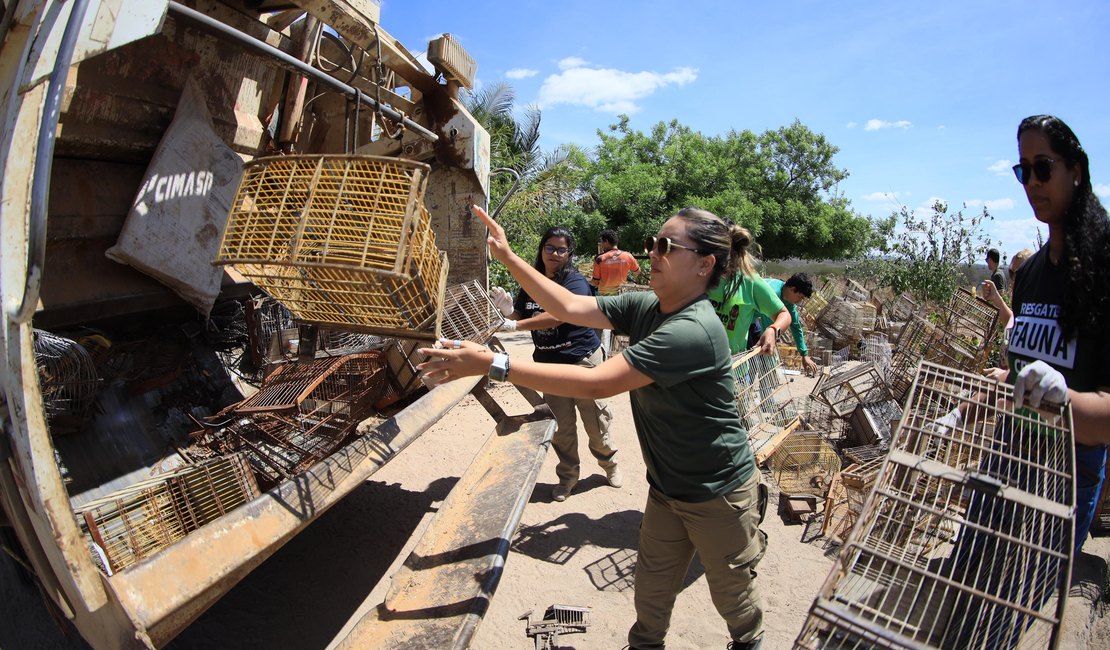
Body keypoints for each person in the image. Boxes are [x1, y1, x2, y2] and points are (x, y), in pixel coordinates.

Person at [421, 205, 769, 650]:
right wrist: (508, 255)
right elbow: (566, 305)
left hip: (719, 491)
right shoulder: (648, 306)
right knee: (652, 590)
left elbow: (596, 383)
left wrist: (493, 364)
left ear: (705, 265)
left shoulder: (693, 329)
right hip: (667, 488)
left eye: (666, 246)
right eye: (652, 243)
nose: (652, 254)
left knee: (733, 595)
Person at [996, 114, 1110, 552]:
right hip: (1013, 452)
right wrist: (1005, 382)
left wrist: (1062, 402)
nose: (1032, 182)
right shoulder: (1032, 275)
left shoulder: (1101, 269)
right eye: (1023, 170)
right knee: (982, 571)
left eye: (1043, 167)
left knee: (1029, 593)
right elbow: (1029, 369)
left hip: (1069, 470)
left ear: (1075, 170)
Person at [497, 227, 620, 502]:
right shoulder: (532, 281)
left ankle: (609, 464)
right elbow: (520, 311)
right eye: (549, 247)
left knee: (595, 424)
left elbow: (558, 316)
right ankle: (568, 477)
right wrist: (507, 312)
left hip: (582, 362)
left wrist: (514, 324)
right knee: (561, 429)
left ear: (569, 254)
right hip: (550, 369)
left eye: (561, 249)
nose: (554, 253)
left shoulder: (574, 282)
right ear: (542, 249)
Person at [705, 226, 791, 356]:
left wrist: (773, 330)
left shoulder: (750, 282)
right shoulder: (699, 274)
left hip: (733, 369)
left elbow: (784, 314)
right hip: (693, 367)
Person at [749, 273, 819, 376]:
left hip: (754, 320)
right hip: (743, 318)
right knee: (750, 358)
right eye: (799, 297)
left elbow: (796, 326)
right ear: (792, 289)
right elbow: (769, 327)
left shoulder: (789, 302)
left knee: (761, 356)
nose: (799, 301)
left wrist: (804, 354)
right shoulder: (772, 292)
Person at [591, 229, 641, 295]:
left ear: (606, 241)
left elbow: (595, 282)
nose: (602, 245)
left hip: (605, 297)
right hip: (622, 295)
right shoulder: (628, 256)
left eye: (602, 242)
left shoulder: (599, 259)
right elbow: (638, 272)